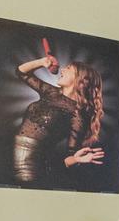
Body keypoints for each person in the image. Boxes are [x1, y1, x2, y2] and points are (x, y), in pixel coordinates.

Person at [10, 50, 106, 182]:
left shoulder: (77, 114)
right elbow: (21, 72)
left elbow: (68, 157)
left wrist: (77, 159)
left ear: (81, 80)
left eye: (68, 69)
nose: (62, 70)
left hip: (30, 168)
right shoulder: (51, 92)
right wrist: (42, 62)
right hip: (8, 158)